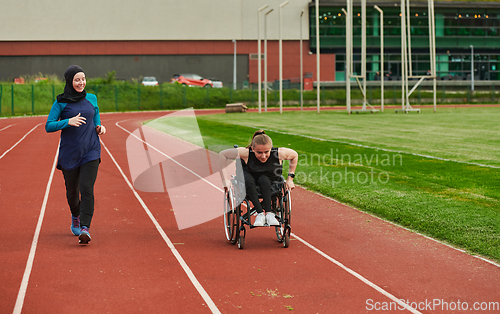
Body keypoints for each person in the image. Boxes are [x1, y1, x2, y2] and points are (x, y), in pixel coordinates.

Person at [45, 65, 106, 245]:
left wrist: (99, 127)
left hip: (91, 150)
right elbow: (48, 126)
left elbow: (96, 116)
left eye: (83, 79)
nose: (81, 83)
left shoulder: (92, 98)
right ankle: (76, 216)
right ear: (70, 81)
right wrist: (67, 122)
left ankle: (85, 229)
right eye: (77, 79)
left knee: (86, 187)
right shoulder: (61, 102)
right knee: (72, 192)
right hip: (70, 153)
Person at [220, 130, 298, 227]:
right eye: (259, 152)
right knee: (248, 179)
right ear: (252, 148)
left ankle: (269, 214)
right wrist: (225, 180)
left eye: (266, 152)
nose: (263, 156)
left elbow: (294, 155)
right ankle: (260, 213)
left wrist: (290, 179)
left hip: (268, 180)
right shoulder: (246, 153)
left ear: (271, 148)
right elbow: (222, 154)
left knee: (264, 179)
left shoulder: (279, 153)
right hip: (250, 178)